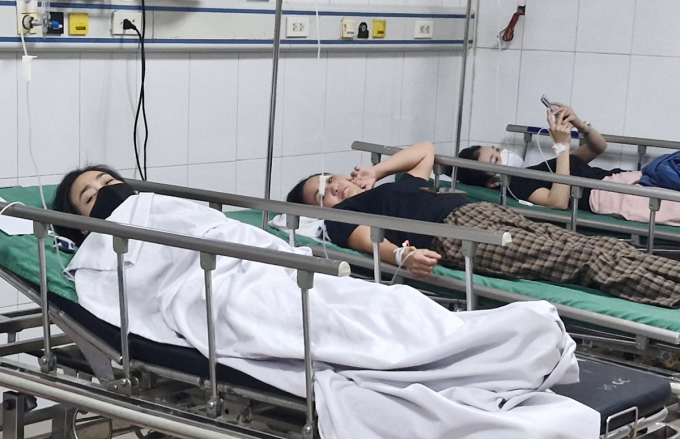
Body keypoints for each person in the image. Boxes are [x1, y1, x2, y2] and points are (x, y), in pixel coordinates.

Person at [52, 165, 599, 439]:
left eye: (109, 180)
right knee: (324, 321)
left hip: (271, 270)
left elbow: (239, 237)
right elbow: (138, 291)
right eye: (91, 196)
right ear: (79, 223)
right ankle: (485, 350)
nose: (107, 191)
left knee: (383, 307)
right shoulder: (101, 250)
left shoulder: (166, 206)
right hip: (217, 292)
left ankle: (484, 343)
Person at [287, 142, 680, 308]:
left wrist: (377, 171)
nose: (333, 187)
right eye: (321, 195)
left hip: (483, 214)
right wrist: (404, 257)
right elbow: (369, 243)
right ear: (320, 211)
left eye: (329, 179)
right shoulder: (341, 221)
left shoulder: (392, 186)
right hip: (460, 238)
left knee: (601, 247)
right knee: (583, 260)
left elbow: (425, 151)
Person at [456, 104, 680, 225]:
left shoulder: (538, 169)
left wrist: (580, 125)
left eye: (497, 150)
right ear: (492, 183)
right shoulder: (515, 184)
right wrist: (561, 147)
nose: (503, 153)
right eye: (496, 159)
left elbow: (597, 147)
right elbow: (558, 202)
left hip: (630, 179)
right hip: (610, 196)